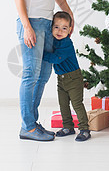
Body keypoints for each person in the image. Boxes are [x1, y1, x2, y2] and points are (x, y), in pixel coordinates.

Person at [14, 0, 74, 141]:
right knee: (31, 74)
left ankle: (32, 123)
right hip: (32, 22)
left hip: (49, 23)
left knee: (44, 73)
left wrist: (67, 12)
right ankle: (27, 127)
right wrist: (27, 26)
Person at [43, 11, 91, 142]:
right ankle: (68, 127)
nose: (60, 31)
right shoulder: (53, 40)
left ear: (70, 30)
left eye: (64, 28)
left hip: (74, 78)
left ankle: (84, 129)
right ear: (52, 27)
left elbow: (57, 58)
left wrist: (40, 55)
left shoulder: (66, 43)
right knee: (63, 104)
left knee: (77, 104)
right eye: (56, 27)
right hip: (61, 79)